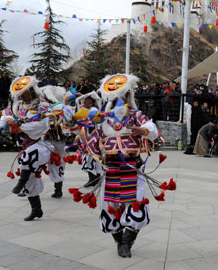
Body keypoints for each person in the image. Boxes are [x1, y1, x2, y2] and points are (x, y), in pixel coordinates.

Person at [73, 74, 174, 258]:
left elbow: (151, 129)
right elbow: (85, 128)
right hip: (111, 168)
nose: (118, 99)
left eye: (122, 95)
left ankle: (127, 241)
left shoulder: (136, 115)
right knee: (109, 206)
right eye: (114, 96)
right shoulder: (102, 117)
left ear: (128, 95)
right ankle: (119, 241)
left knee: (135, 204)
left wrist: (141, 130)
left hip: (131, 167)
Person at [0, 76, 55, 220]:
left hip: (42, 143)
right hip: (26, 144)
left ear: (31, 90)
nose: (22, 95)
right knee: (31, 177)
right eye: (20, 92)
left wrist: (20, 126)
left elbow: (42, 125)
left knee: (28, 157)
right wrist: (9, 120)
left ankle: (20, 182)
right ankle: (36, 209)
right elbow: (5, 114)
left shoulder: (42, 104)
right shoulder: (17, 105)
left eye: (24, 91)